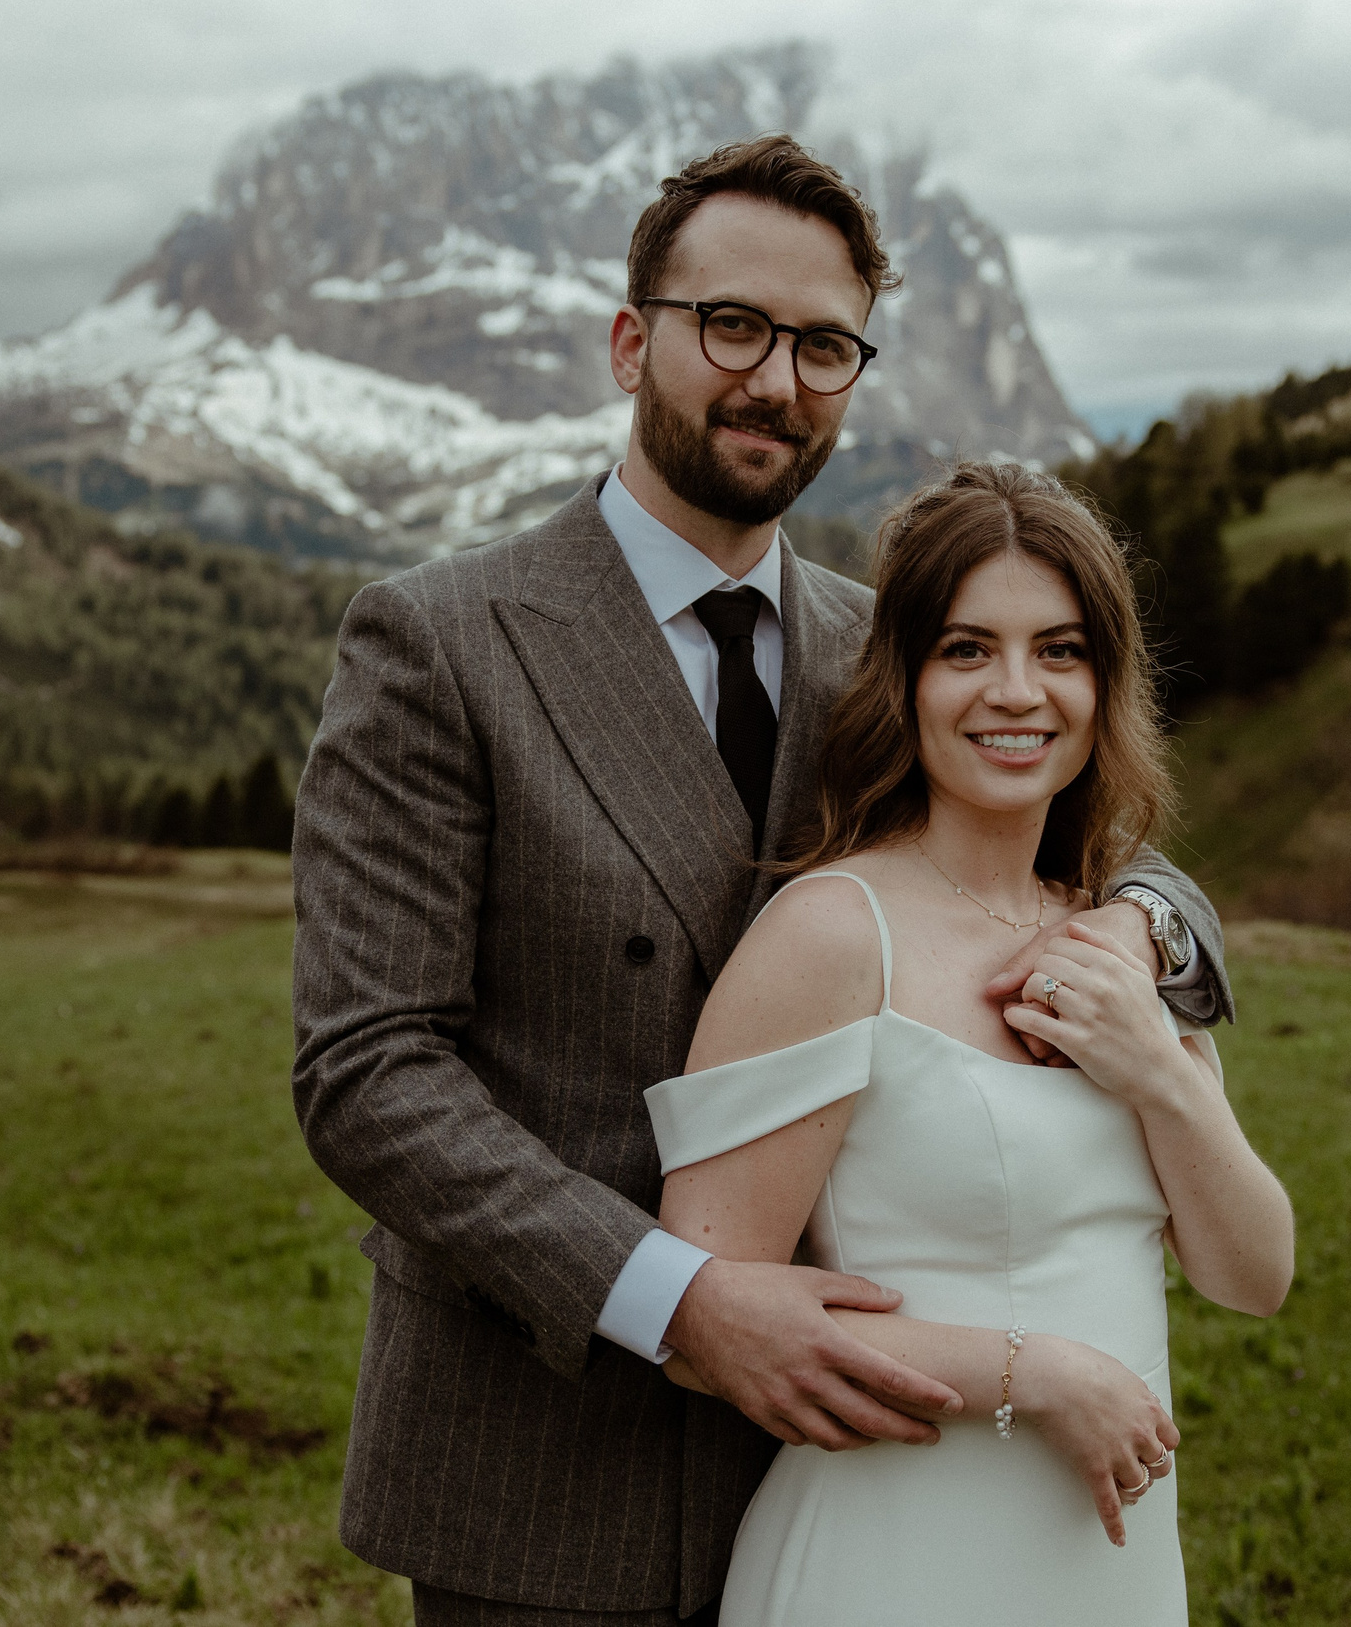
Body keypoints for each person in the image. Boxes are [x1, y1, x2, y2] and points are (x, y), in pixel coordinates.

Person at [292, 134, 1234, 1627]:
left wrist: (1141, 920)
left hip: (864, 1459)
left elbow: (1115, 842)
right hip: (549, 1455)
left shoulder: (895, 646)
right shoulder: (442, 642)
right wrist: (684, 1301)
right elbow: (365, 1070)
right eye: (731, 326)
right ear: (631, 340)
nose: (775, 380)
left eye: (822, 345)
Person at [647, 464, 1295, 1625]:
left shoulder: (1112, 936)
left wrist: (1156, 1068)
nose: (1017, 692)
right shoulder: (833, 932)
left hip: (1107, 1568)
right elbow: (710, 1323)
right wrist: (1031, 1375)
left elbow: (1252, 1275)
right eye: (966, 649)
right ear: (902, 678)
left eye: (1059, 650)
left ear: (1105, 683)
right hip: (890, 1557)